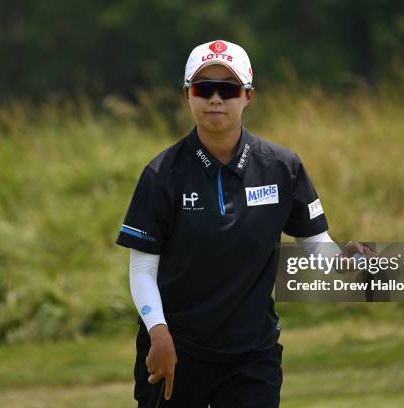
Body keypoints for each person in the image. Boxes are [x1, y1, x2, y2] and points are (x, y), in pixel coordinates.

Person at [116, 39, 374, 408]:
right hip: (174, 348)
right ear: (187, 94)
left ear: (248, 96)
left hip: (252, 356)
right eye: (204, 88)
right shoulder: (161, 175)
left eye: (229, 89)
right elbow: (142, 269)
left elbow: (315, 244)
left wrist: (344, 263)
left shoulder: (282, 167)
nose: (216, 99)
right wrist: (158, 333)